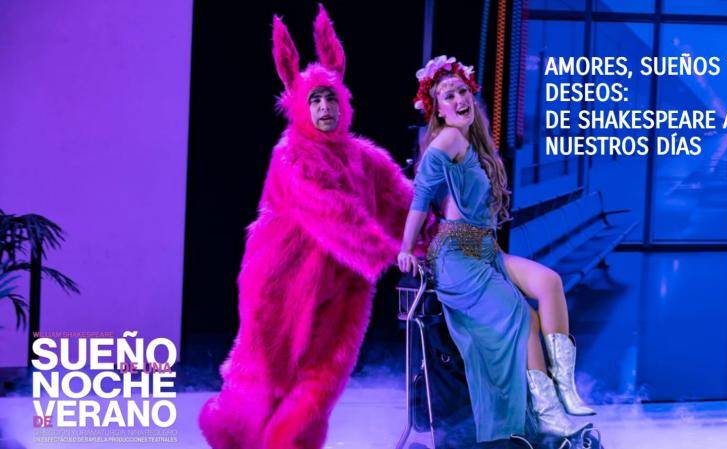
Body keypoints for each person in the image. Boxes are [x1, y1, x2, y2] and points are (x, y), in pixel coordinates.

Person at [198, 6, 423, 449]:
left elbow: (402, 201)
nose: (324, 107)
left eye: (331, 98)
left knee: (320, 388)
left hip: (342, 291)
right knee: (263, 384)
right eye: (315, 100)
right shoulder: (292, 154)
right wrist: (391, 252)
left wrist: (437, 230)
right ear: (300, 107)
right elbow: (334, 213)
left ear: (344, 103)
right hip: (280, 288)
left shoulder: (364, 158)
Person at [397, 55, 595, 445]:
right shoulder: (449, 138)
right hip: (457, 254)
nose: (458, 99)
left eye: (461, 91)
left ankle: (564, 393)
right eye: (447, 96)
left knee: (550, 283)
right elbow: (420, 194)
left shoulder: (474, 142)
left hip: (486, 249)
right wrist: (405, 248)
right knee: (524, 317)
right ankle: (549, 414)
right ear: (438, 110)